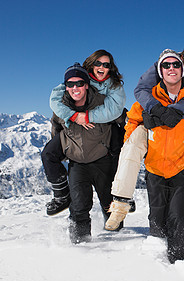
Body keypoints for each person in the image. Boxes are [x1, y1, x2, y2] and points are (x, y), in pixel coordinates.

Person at [106, 43, 184, 231]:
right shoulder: (151, 94)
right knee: (156, 218)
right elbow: (133, 117)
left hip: (180, 161)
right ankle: (120, 204)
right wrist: (150, 118)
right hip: (155, 163)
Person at [124, 49, 184, 263]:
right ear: (160, 71)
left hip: (181, 165)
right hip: (154, 167)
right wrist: (136, 147)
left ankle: (177, 260)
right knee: (156, 215)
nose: (171, 69)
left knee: (178, 215)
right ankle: (158, 263)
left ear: (183, 69)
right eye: (166, 66)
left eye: (175, 65)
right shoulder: (149, 98)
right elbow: (132, 122)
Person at [43, 50, 133, 216]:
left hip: (106, 129)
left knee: (122, 144)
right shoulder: (73, 87)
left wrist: (88, 116)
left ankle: (123, 196)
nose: (101, 67)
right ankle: (63, 199)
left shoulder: (112, 87)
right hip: (77, 154)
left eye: (106, 65)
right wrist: (75, 117)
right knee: (49, 154)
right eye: (98, 63)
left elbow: (116, 110)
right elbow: (56, 113)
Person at [44, 63, 121, 243]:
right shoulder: (61, 108)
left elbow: (120, 118)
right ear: (66, 87)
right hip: (78, 163)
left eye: (79, 83)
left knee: (110, 205)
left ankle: (119, 244)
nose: (75, 88)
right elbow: (56, 130)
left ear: (87, 84)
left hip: (103, 161)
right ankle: (80, 246)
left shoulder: (101, 102)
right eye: (70, 84)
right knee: (79, 207)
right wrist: (64, 152)